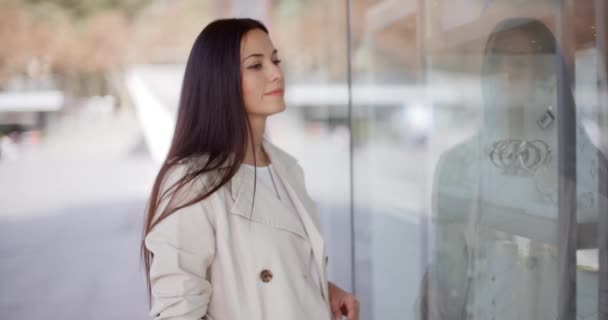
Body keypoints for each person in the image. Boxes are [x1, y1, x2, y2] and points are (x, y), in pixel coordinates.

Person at [141, 18, 359, 320]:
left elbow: (270, 271)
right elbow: (177, 312)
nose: (276, 74)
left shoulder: (286, 168)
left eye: (275, 60)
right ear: (219, 79)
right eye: (256, 66)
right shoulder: (193, 181)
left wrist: (321, 290)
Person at [418, 17, 606, 319]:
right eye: (496, 64)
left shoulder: (584, 165)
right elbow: (448, 279)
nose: (505, 74)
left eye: (519, 65)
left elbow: (596, 281)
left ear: (547, 77)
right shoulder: (459, 165)